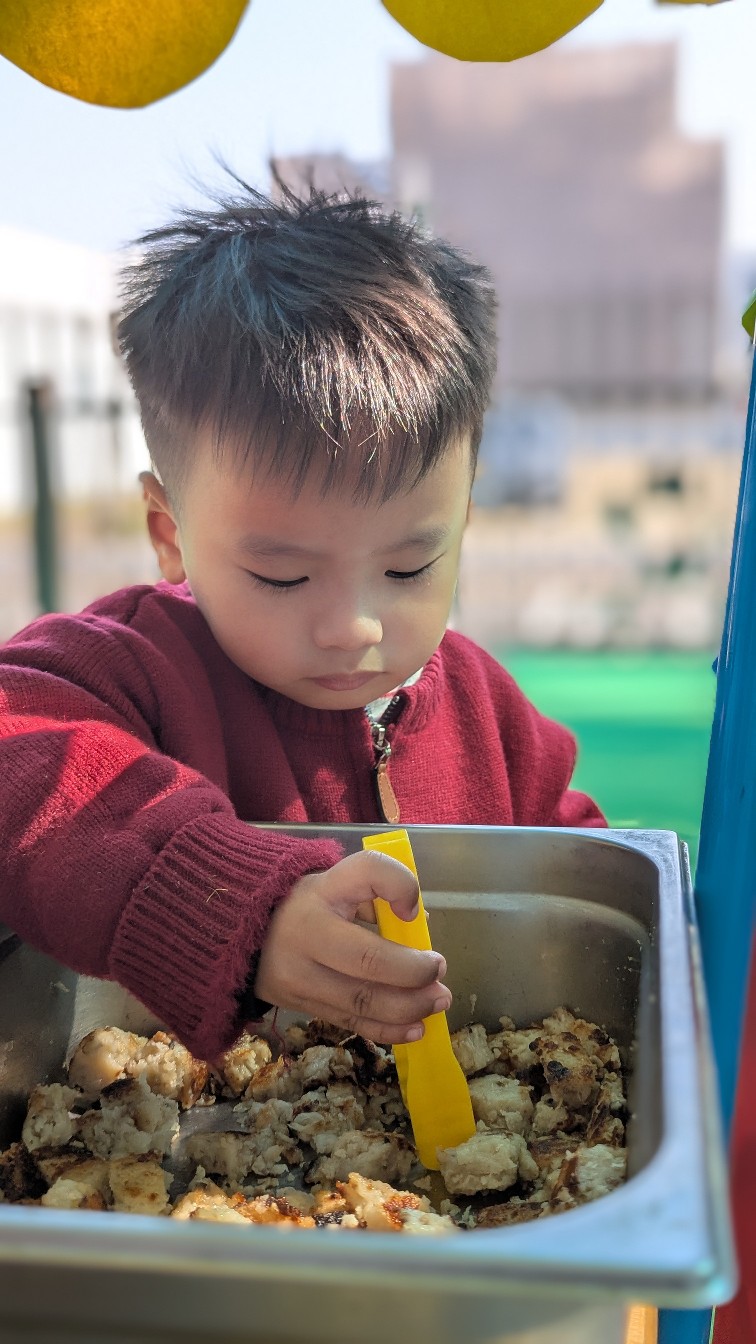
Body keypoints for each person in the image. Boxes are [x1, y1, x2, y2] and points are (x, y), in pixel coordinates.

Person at [0, 181, 605, 1064]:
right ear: (170, 534)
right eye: (281, 576)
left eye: (408, 567)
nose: (353, 627)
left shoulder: (489, 714)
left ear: (463, 520)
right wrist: (229, 907)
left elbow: (583, 878)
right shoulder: (136, 669)